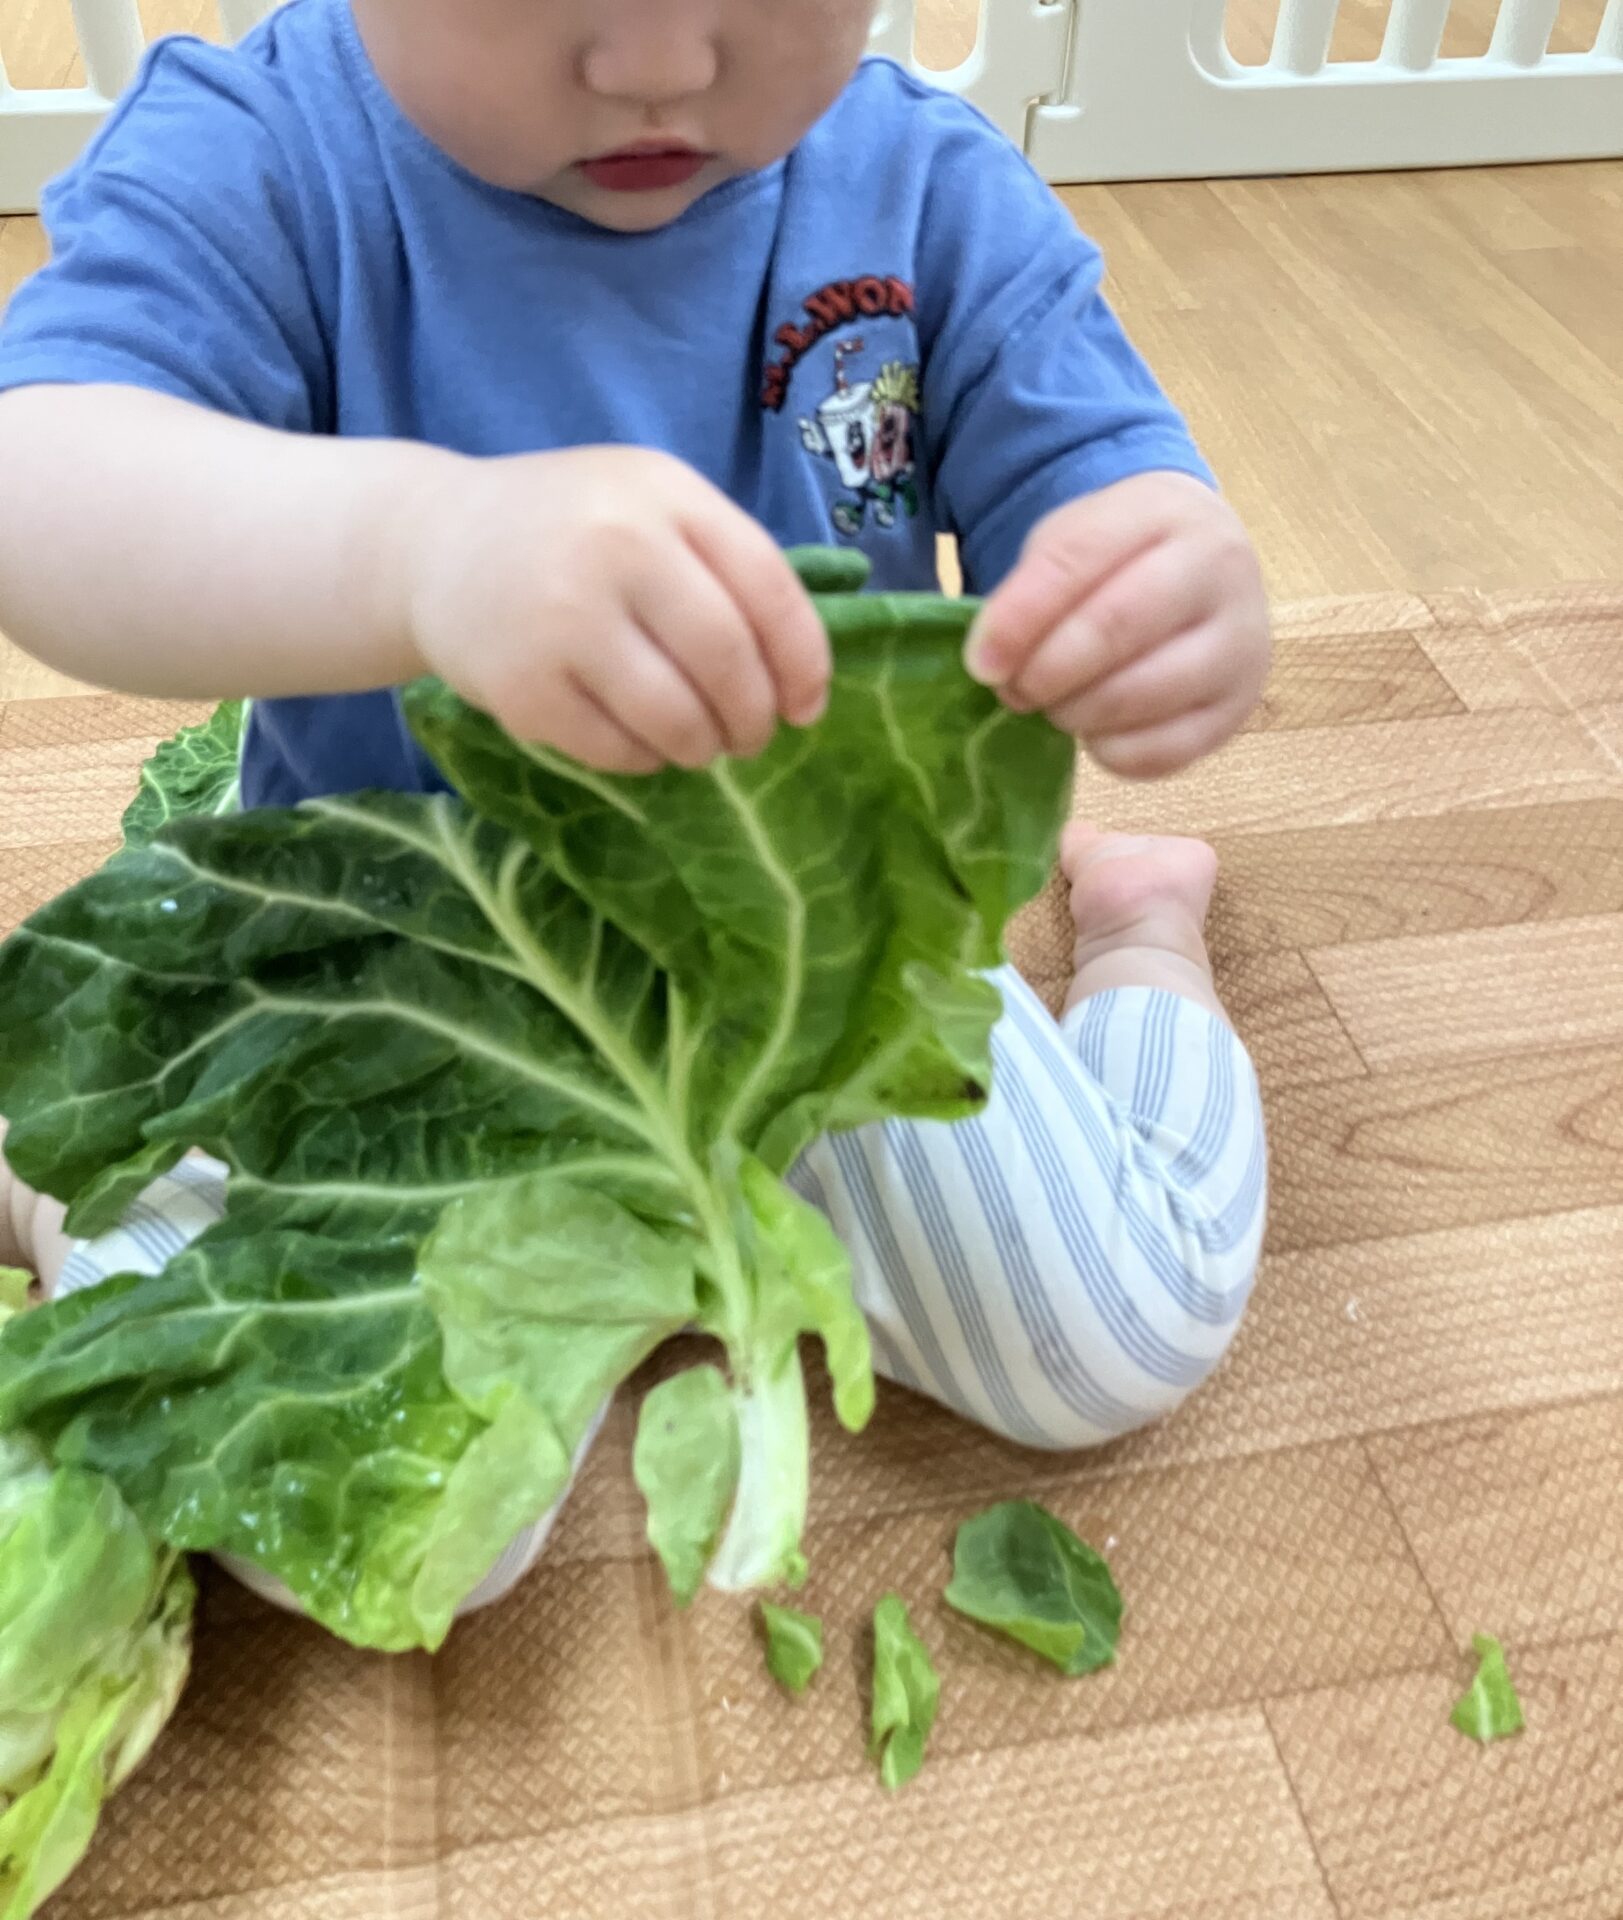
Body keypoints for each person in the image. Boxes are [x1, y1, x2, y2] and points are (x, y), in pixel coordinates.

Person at [0, 0, 1271, 1615]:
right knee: (385, 1509)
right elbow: (43, 480)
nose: (661, 64)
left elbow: (1105, 481)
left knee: (1115, 1329)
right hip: (404, 977)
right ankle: (50, 1173)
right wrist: (421, 549)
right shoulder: (261, 153)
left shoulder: (926, 192)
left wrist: (1163, 567)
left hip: (819, 969)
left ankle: (1146, 933)